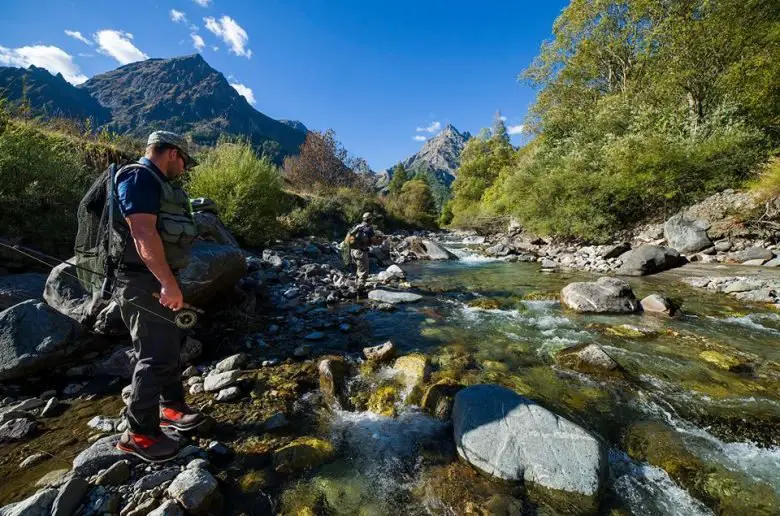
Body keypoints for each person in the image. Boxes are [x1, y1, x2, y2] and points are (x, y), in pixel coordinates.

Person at [113, 131, 206, 462]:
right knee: (154, 355)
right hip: (142, 282)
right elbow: (142, 232)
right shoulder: (139, 178)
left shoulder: (156, 182)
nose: (184, 169)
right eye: (184, 162)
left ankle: (171, 408)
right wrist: (168, 283)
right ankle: (137, 434)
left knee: (170, 346)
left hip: (155, 279)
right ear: (172, 154)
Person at [345, 212, 381, 289]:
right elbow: (374, 241)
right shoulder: (368, 229)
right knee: (363, 272)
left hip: (352, 251)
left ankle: (356, 285)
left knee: (358, 269)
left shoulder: (357, 226)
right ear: (370, 219)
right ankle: (359, 290)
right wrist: (380, 239)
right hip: (361, 252)